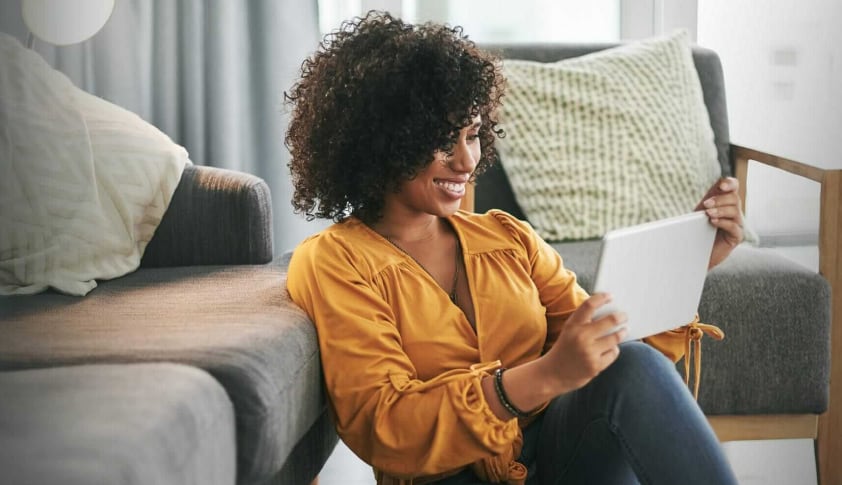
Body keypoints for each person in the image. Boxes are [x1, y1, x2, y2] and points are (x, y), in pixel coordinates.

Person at [285, 11, 742, 485]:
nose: (467, 160)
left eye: (472, 135)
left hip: (560, 462)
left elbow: (611, 359)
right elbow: (386, 425)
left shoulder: (507, 237)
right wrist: (542, 377)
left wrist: (695, 258)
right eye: (444, 140)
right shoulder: (336, 261)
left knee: (633, 363)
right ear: (384, 142)